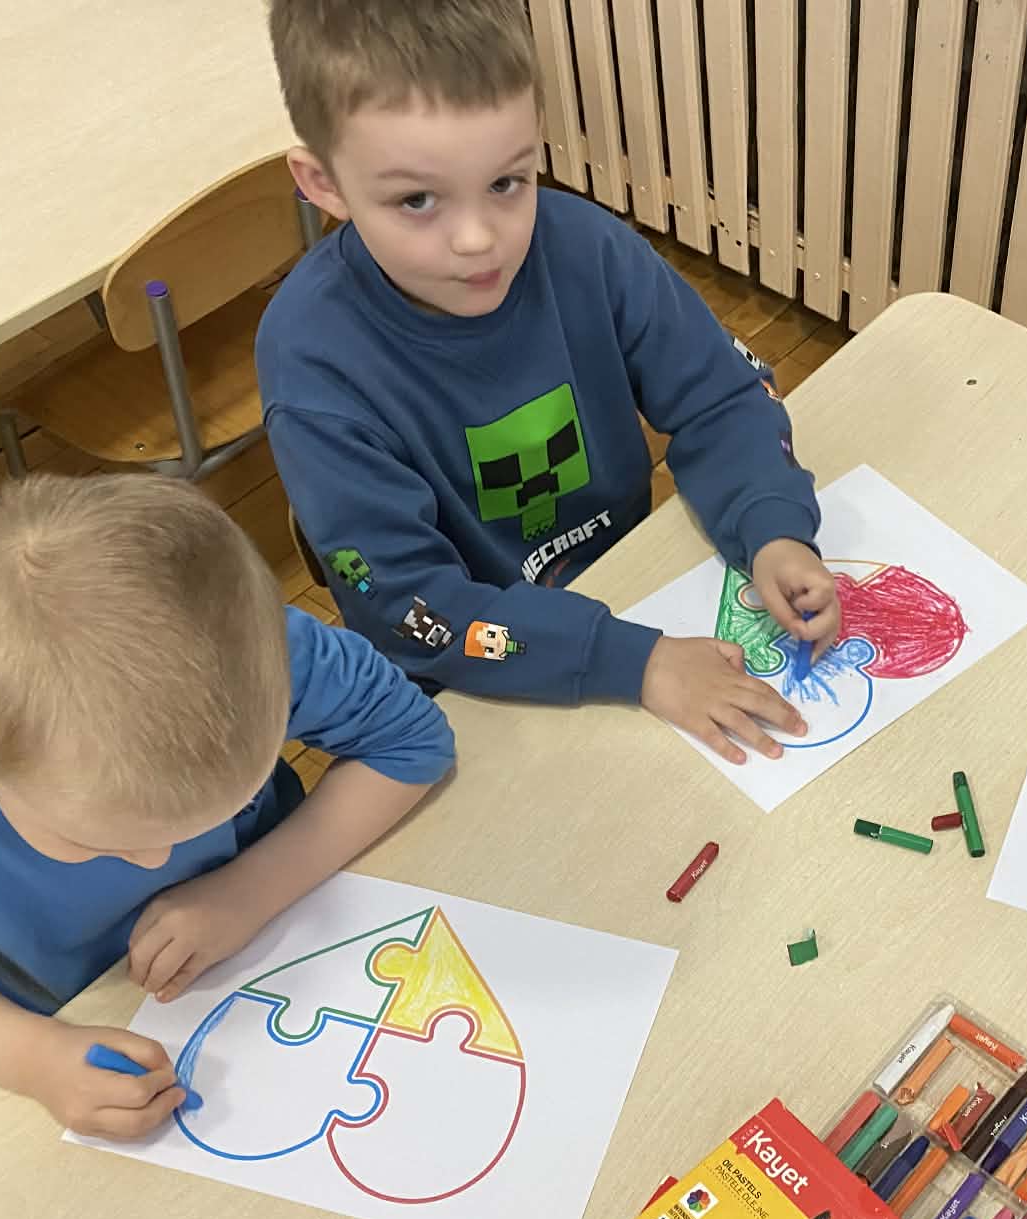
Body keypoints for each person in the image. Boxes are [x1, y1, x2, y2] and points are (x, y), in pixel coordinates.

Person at [258, 0, 840, 766]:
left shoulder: (587, 248)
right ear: (323, 183)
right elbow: (413, 608)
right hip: (475, 694)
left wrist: (772, 525)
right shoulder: (314, 362)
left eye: (507, 181)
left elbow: (723, 398)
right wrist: (632, 662)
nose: (479, 239)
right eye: (416, 200)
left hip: (635, 598)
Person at [0, 474, 456, 1139]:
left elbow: (408, 739)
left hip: (276, 937)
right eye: (93, 840)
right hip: (84, 1006)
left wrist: (249, 889)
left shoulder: (250, 648)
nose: (156, 860)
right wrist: (32, 1058)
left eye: (224, 807)